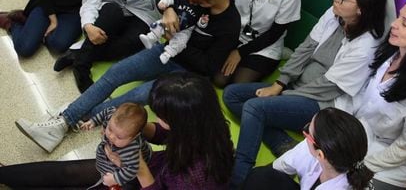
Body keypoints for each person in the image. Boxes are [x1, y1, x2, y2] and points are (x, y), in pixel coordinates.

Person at [16, 0, 241, 153]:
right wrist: (168, 11)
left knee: (137, 95)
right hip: (163, 52)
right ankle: (64, 121)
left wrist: (176, 41)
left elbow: (208, 66)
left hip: (188, 75)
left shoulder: (229, 23)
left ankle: (67, 119)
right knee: (116, 73)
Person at [223, 0, 388, 187]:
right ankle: (283, 144)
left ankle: (239, 178)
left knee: (255, 109)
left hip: (322, 101)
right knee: (232, 95)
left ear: (361, 9)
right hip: (296, 87)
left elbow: (327, 88)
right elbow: (306, 47)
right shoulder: (335, 13)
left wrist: (283, 94)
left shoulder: (366, 45)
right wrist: (280, 83)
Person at [1, 72, 234, 189]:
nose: (157, 119)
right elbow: (164, 134)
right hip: (153, 168)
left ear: (184, 120)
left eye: (162, 116)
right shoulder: (206, 126)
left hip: (151, 180)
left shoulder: (200, 174)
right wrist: (134, 127)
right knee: (70, 172)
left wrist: (138, 166)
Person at [352, 0, 406, 190]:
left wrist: (366, 166)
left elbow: (405, 147)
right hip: (361, 138)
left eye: (405, 24)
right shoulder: (389, 55)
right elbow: (362, 100)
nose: (394, 25)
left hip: (391, 161)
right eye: (398, 17)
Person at [242, 108, 374, 190]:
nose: (305, 133)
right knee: (260, 177)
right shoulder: (317, 152)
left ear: (320, 154)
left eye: (307, 131)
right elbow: (278, 168)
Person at [81, 103, 152, 189]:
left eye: (119, 137)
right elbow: (105, 112)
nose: (111, 136)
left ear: (134, 137)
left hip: (122, 167)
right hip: (106, 157)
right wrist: (93, 121)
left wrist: (115, 179)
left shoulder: (131, 149)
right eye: (110, 129)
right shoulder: (112, 116)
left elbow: (133, 169)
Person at [139, 0, 209, 64]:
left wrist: (203, 22)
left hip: (186, 30)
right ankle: (150, 38)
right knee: (160, 25)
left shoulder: (202, 8)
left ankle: (167, 54)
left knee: (180, 42)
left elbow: (200, 25)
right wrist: (164, 3)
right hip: (172, 19)